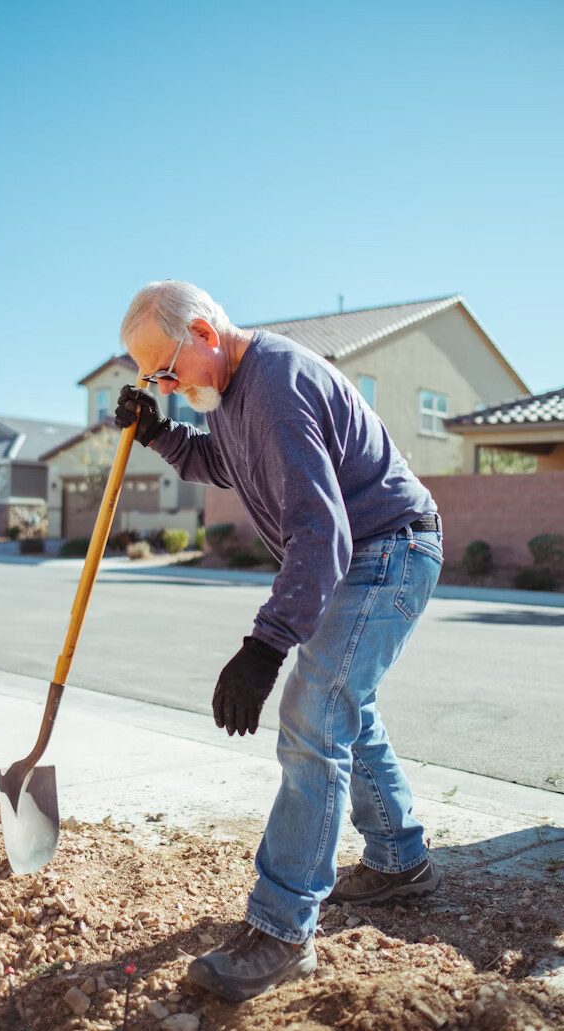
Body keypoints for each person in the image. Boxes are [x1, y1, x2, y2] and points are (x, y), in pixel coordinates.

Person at [114, 280, 443, 1002]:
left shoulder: (274, 384)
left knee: (311, 717)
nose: (164, 385)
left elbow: (319, 533)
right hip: (370, 550)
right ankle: (397, 859)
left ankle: (282, 928)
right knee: (343, 705)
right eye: (152, 380)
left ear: (202, 330)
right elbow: (220, 463)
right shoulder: (232, 397)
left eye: (165, 371)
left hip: (385, 549)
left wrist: (264, 647)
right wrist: (158, 432)